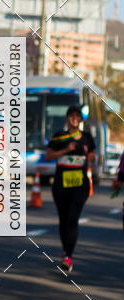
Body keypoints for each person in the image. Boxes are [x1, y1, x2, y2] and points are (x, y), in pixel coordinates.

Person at [44, 104, 95, 273]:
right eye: (71, 116)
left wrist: (92, 157)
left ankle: (68, 256)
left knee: (72, 219)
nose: (74, 118)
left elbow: (92, 157)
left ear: (80, 119)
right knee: (63, 220)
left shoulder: (87, 137)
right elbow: (48, 156)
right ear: (67, 119)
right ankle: (66, 251)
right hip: (61, 185)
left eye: (77, 116)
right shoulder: (59, 137)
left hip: (80, 186)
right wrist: (65, 150)